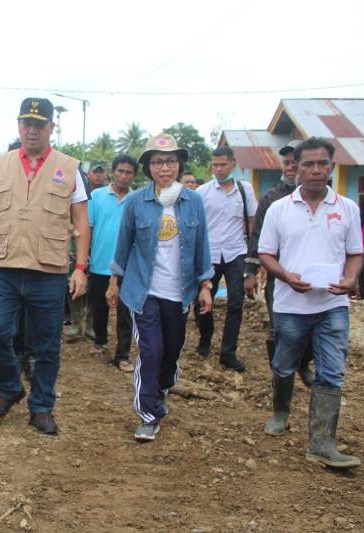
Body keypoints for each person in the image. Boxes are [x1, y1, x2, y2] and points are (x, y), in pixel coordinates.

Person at [0, 97, 90, 435]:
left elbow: (81, 220)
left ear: (51, 127)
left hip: (49, 271)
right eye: (27, 123)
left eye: (39, 124)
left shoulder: (70, 168)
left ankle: (41, 406)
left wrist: (80, 267)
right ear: (19, 126)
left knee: (47, 344)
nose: (32, 130)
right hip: (6, 267)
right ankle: (10, 387)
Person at [258, 137, 362, 468]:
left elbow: (355, 253)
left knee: (331, 372)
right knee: (284, 364)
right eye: (308, 164)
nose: (316, 170)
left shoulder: (348, 208)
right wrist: (285, 276)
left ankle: (321, 444)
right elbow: (266, 253)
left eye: (322, 164)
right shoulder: (279, 209)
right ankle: (280, 413)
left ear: (332, 167)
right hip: (290, 305)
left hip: (333, 305)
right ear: (297, 168)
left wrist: (351, 279)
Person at [108, 133, 213, 441]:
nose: (164, 168)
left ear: (178, 164)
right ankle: (148, 414)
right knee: (151, 351)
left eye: (170, 161)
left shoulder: (193, 201)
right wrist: (114, 281)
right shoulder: (136, 202)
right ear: (149, 167)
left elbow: (202, 245)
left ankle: (162, 389)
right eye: (157, 162)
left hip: (180, 293)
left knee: (170, 352)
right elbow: (124, 243)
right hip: (144, 291)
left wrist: (205, 285)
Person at [244, 140, 313, 386]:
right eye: (286, 163)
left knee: (312, 326)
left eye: (295, 162)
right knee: (278, 326)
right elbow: (257, 236)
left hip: (312, 274)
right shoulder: (272, 198)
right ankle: (280, 374)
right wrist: (250, 271)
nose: (290, 167)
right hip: (278, 273)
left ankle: (302, 363)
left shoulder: (321, 199)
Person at [195, 146, 257, 371]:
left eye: (223, 165)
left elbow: (252, 222)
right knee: (202, 300)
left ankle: (228, 352)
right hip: (209, 254)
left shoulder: (244, 190)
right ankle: (205, 337)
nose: (219, 169)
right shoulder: (202, 192)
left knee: (236, 303)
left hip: (236, 252)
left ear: (233, 164)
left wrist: (252, 260)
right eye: (215, 165)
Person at [88, 154, 136, 372]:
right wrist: (85, 256)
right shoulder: (96, 196)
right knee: (99, 307)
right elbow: (89, 227)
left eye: (128, 172)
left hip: (127, 265)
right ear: (113, 172)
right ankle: (100, 339)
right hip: (100, 262)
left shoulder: (137, 200)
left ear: (133, 176)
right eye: (120, 171)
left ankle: (122, 354)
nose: (124, 176)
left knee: (126, 311)